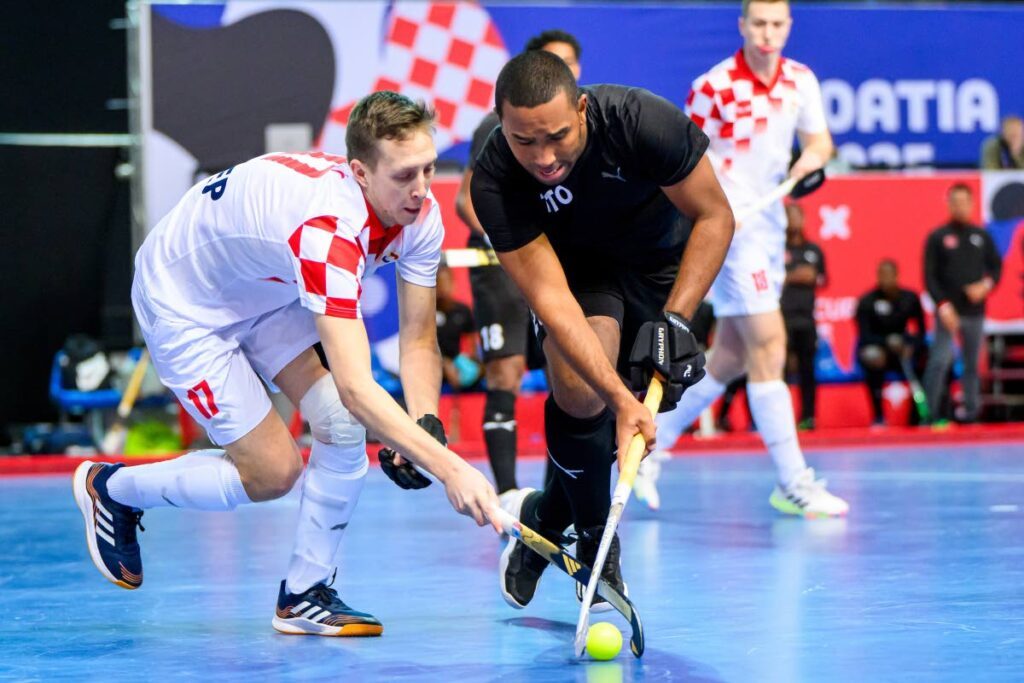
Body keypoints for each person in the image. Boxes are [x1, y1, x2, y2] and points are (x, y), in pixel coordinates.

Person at [72, 91, 500, 636]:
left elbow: (419, 340)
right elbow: (356, 387)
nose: (420, 190)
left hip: (264, 290)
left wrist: (426, 426)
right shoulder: (327, 231)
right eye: (404, 176)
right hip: (184, 301)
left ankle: (303, 595)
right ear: (360, 173)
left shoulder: (421, 216)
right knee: (275, 472)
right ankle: (110, 489)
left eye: (429, 169)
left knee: (342, 429)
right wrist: (453, 469)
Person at [470, 50, 734, 609]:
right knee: (580, 387)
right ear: (501, 123)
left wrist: (677, 320)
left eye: (557, 136)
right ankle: (598, 546)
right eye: (524, 141)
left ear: (583, 109)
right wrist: (619, 400)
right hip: (577, 276)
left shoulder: (643, 122)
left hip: (662, 271)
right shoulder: (495, 179)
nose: (543, 158)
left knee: (615, 419)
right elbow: (550, 298)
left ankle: (543, 518)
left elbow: (715, 216)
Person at [643, 0, 849, 518]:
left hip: (770, 224)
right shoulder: (715, 86)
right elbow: (680, 155)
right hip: (729, 227)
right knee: (770, 346)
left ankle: (648, 445)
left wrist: (812, 161)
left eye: (777, 24)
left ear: (788, 28)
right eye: (758, 23)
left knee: (732, 358)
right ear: (742, 26)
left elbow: (819, 141)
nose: (767, 33)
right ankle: (794, 482)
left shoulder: (801, 81)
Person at [455, 29, 582, 500]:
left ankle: (560, 496)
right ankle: (508, 495)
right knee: (505, 372)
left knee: (566, 372)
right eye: (552, 61)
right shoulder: (495, 126)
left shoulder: (582, 129)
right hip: (502, 264)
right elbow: (465, 198)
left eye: (569, 62)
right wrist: (510, 245)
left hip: (555, 265)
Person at [922, 183, 1003, 423]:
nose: (959, 206)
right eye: (955, 202)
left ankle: (971, 413)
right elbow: (929, 276)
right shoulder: (938, 237)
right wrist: (943, 306)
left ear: (972, 204)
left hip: (974, 312)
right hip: (948, 312)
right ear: (948, 204)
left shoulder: (981, 236)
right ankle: (930, 414)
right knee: (939, 361)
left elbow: (996, 268)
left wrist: (985, 286)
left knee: (972, 364)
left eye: (964, 202)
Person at [855, 259, 926, 426]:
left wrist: (910, 346)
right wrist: (887, 342)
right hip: (880, 351)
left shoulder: (910, 298)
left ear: (897, 276)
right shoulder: (867, 302)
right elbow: (865, 336)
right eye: (881, 275)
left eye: (889, 275)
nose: (885, 280)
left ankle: (920, 416)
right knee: (872, 357)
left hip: (903, 353)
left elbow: (920, 331)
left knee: (928, 358)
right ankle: (879, 416)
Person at [780, 203, 826, 431]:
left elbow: (820, 277)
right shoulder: (777, 247)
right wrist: (795, 275)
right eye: (788, 216)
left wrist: (794, 275)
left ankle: (809, 417)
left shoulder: (814, 250)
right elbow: (776, 277)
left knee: (808, 369)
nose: (792, 220)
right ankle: (783, 420)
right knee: (782, 370)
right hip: (782, 318)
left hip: (806, 319)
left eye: (796, 215)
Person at [435, 264, 482, 391]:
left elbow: (471, 343)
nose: (443, 287)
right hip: (434, 362)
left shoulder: (463, 310)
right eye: (439, 282)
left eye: (446, 282)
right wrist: (444, 364)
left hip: (458, 362)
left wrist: (466, 362)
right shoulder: (428, 311)